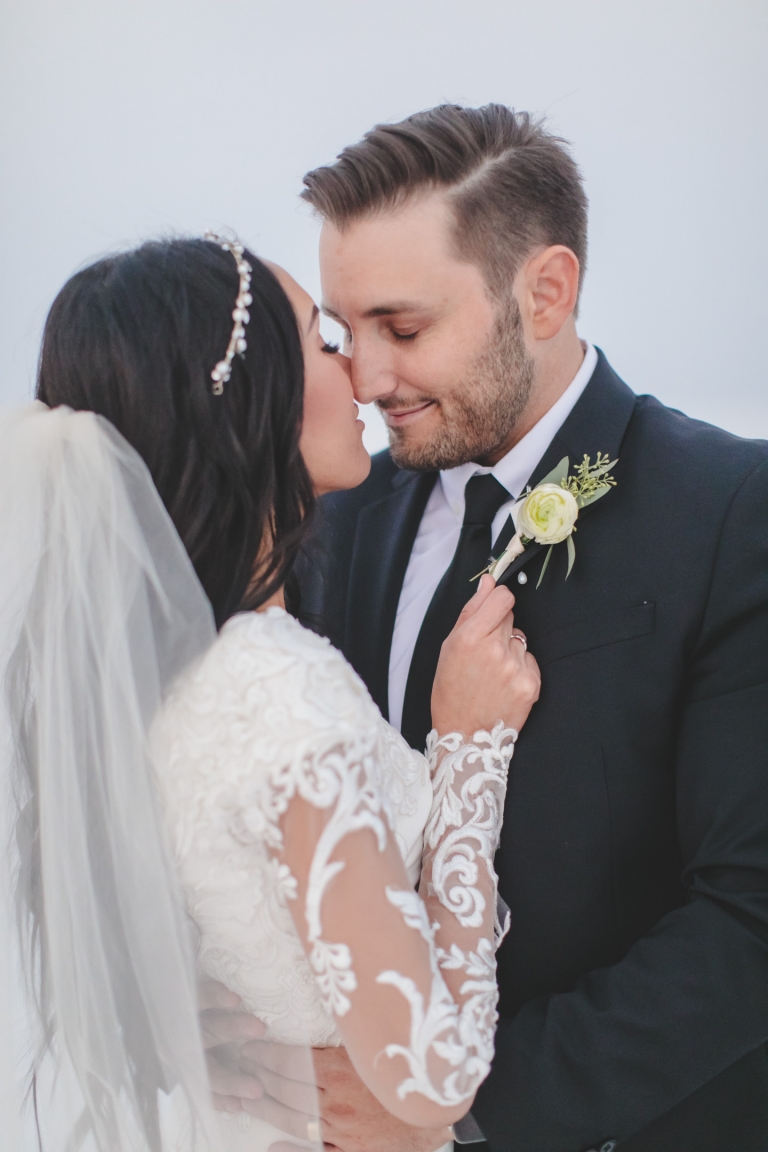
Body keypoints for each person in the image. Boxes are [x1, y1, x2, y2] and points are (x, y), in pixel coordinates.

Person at [274, 104, 768, 1151]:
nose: (365, 378)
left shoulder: (732, 510)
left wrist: (458, 1108)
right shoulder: (344, 515)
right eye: (341, 332)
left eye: (403, 330)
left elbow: (751, 918)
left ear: (545, 292)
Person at [0, 235, 540, 1152]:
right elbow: (431, 1075)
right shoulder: (275, 688)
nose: (362, 375)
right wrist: (469, 755)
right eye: (324, 341)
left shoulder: (145, 680)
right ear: (255, 403)